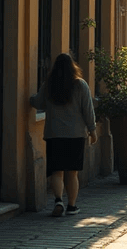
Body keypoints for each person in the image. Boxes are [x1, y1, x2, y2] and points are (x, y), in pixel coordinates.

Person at [29, 53, 98, 217]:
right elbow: (88, 110)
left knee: (57, 171)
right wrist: (92, 130)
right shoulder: (80, 85)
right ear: (72, 66)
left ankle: (58, 200)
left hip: (54, 135)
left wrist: (30, 98)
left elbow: (38, 102)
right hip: (75, 135)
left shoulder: (49, 85)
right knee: (72, 172)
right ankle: (72, 206)